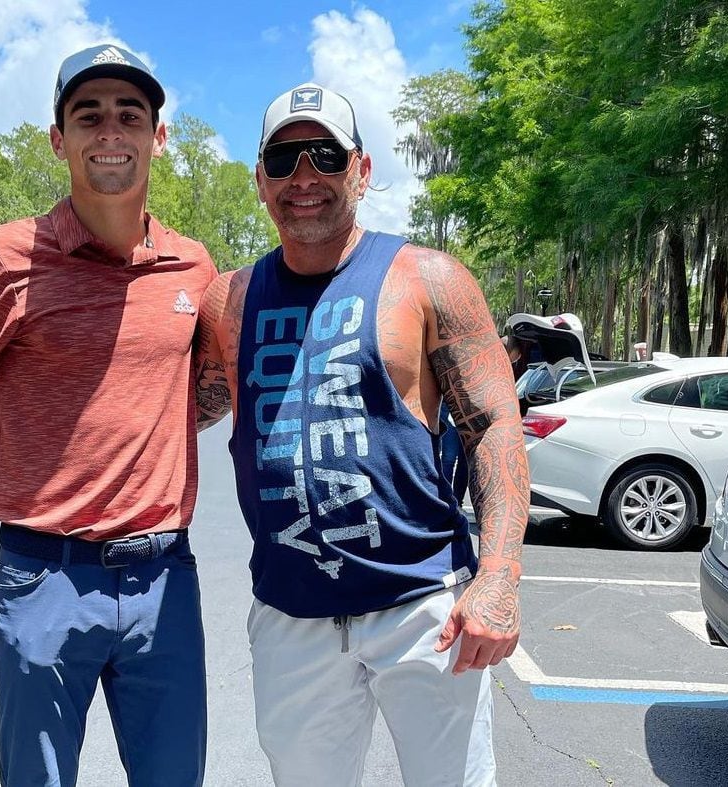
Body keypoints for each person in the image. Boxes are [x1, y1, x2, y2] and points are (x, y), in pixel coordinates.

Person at [0, 44, 216, 787]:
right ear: (58, 139)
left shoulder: (194, 268)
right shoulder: (3, 260)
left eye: (130, 114)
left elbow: (196, 392)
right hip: (43, 580)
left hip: (165, 580)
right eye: (87, 115)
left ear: (159, 136)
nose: (110, 131)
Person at [194, 83, 529, 786]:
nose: (304, 176)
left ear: (362, 169)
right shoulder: (227, 299)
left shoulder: (428, 279)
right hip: (291, 613)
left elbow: (492, 423)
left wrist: (497, 575)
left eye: (325, 153)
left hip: (421, 609)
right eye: (284, 158)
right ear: (259, 180)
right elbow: (179, 409)